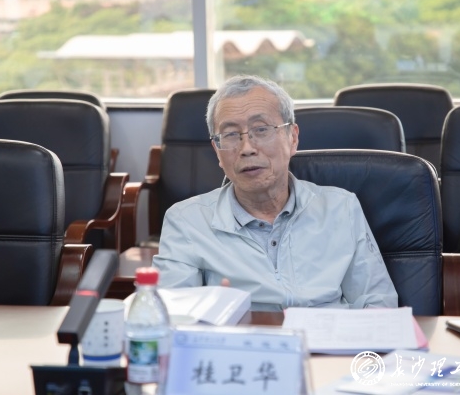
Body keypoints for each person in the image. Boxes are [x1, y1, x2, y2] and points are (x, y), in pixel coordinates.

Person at [152, 75, 398, 311]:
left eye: (261, 129)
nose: (247, 148)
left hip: (330, 338)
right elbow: (171, 314)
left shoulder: (341, 207)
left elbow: (378, 303)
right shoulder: (187, 222)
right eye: (230, 135)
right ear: (217, 150)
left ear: (293, 138)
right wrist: (216, 313)